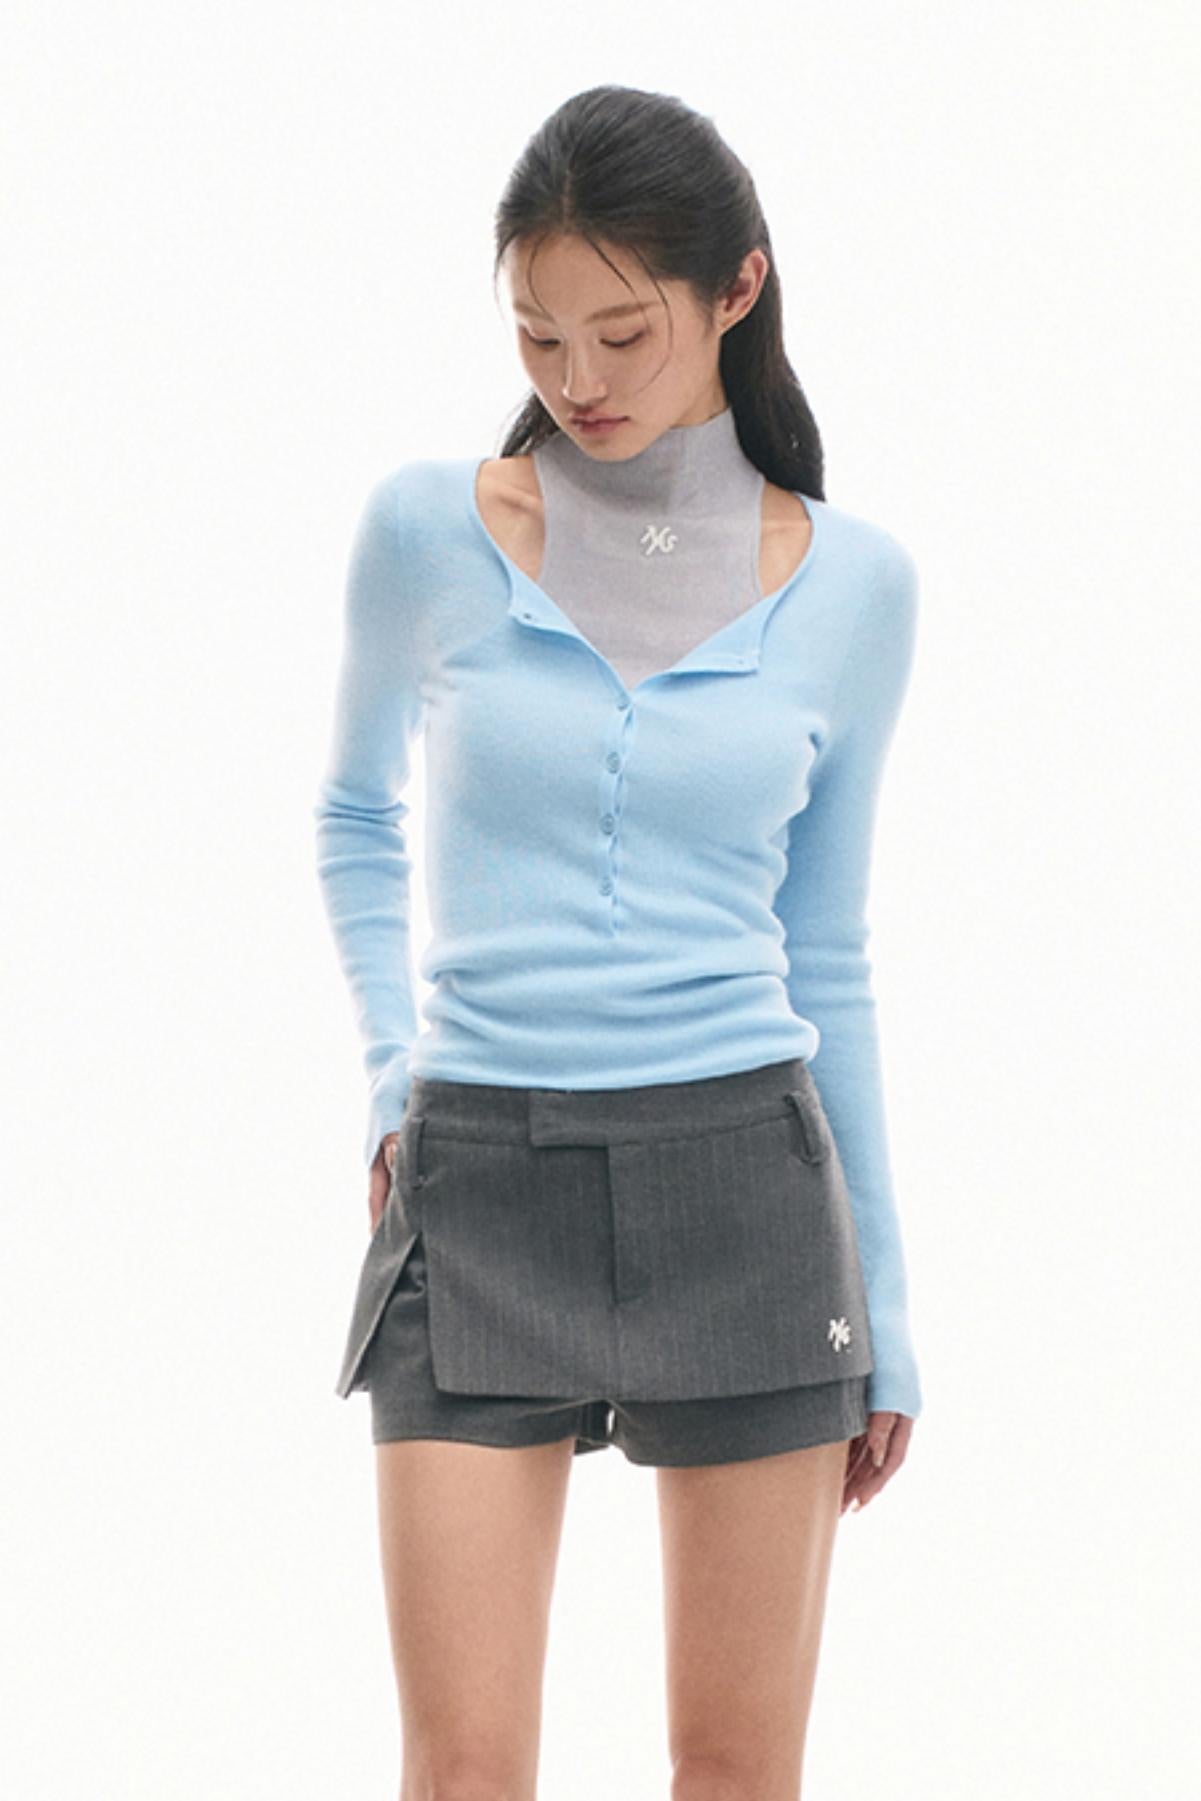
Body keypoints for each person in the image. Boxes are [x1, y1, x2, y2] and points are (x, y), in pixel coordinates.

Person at [314, 82, 922, 1801]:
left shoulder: (852, 586)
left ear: (737, 289)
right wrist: (390, 1074)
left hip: (745, 1187)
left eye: (621, 332)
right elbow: (353, 812)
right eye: (537, 333)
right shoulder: (428, 532)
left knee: (731, 1769)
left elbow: (828, 948)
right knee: (461, 1770)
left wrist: (887, 1301)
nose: (576, 378)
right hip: (476, 1179)